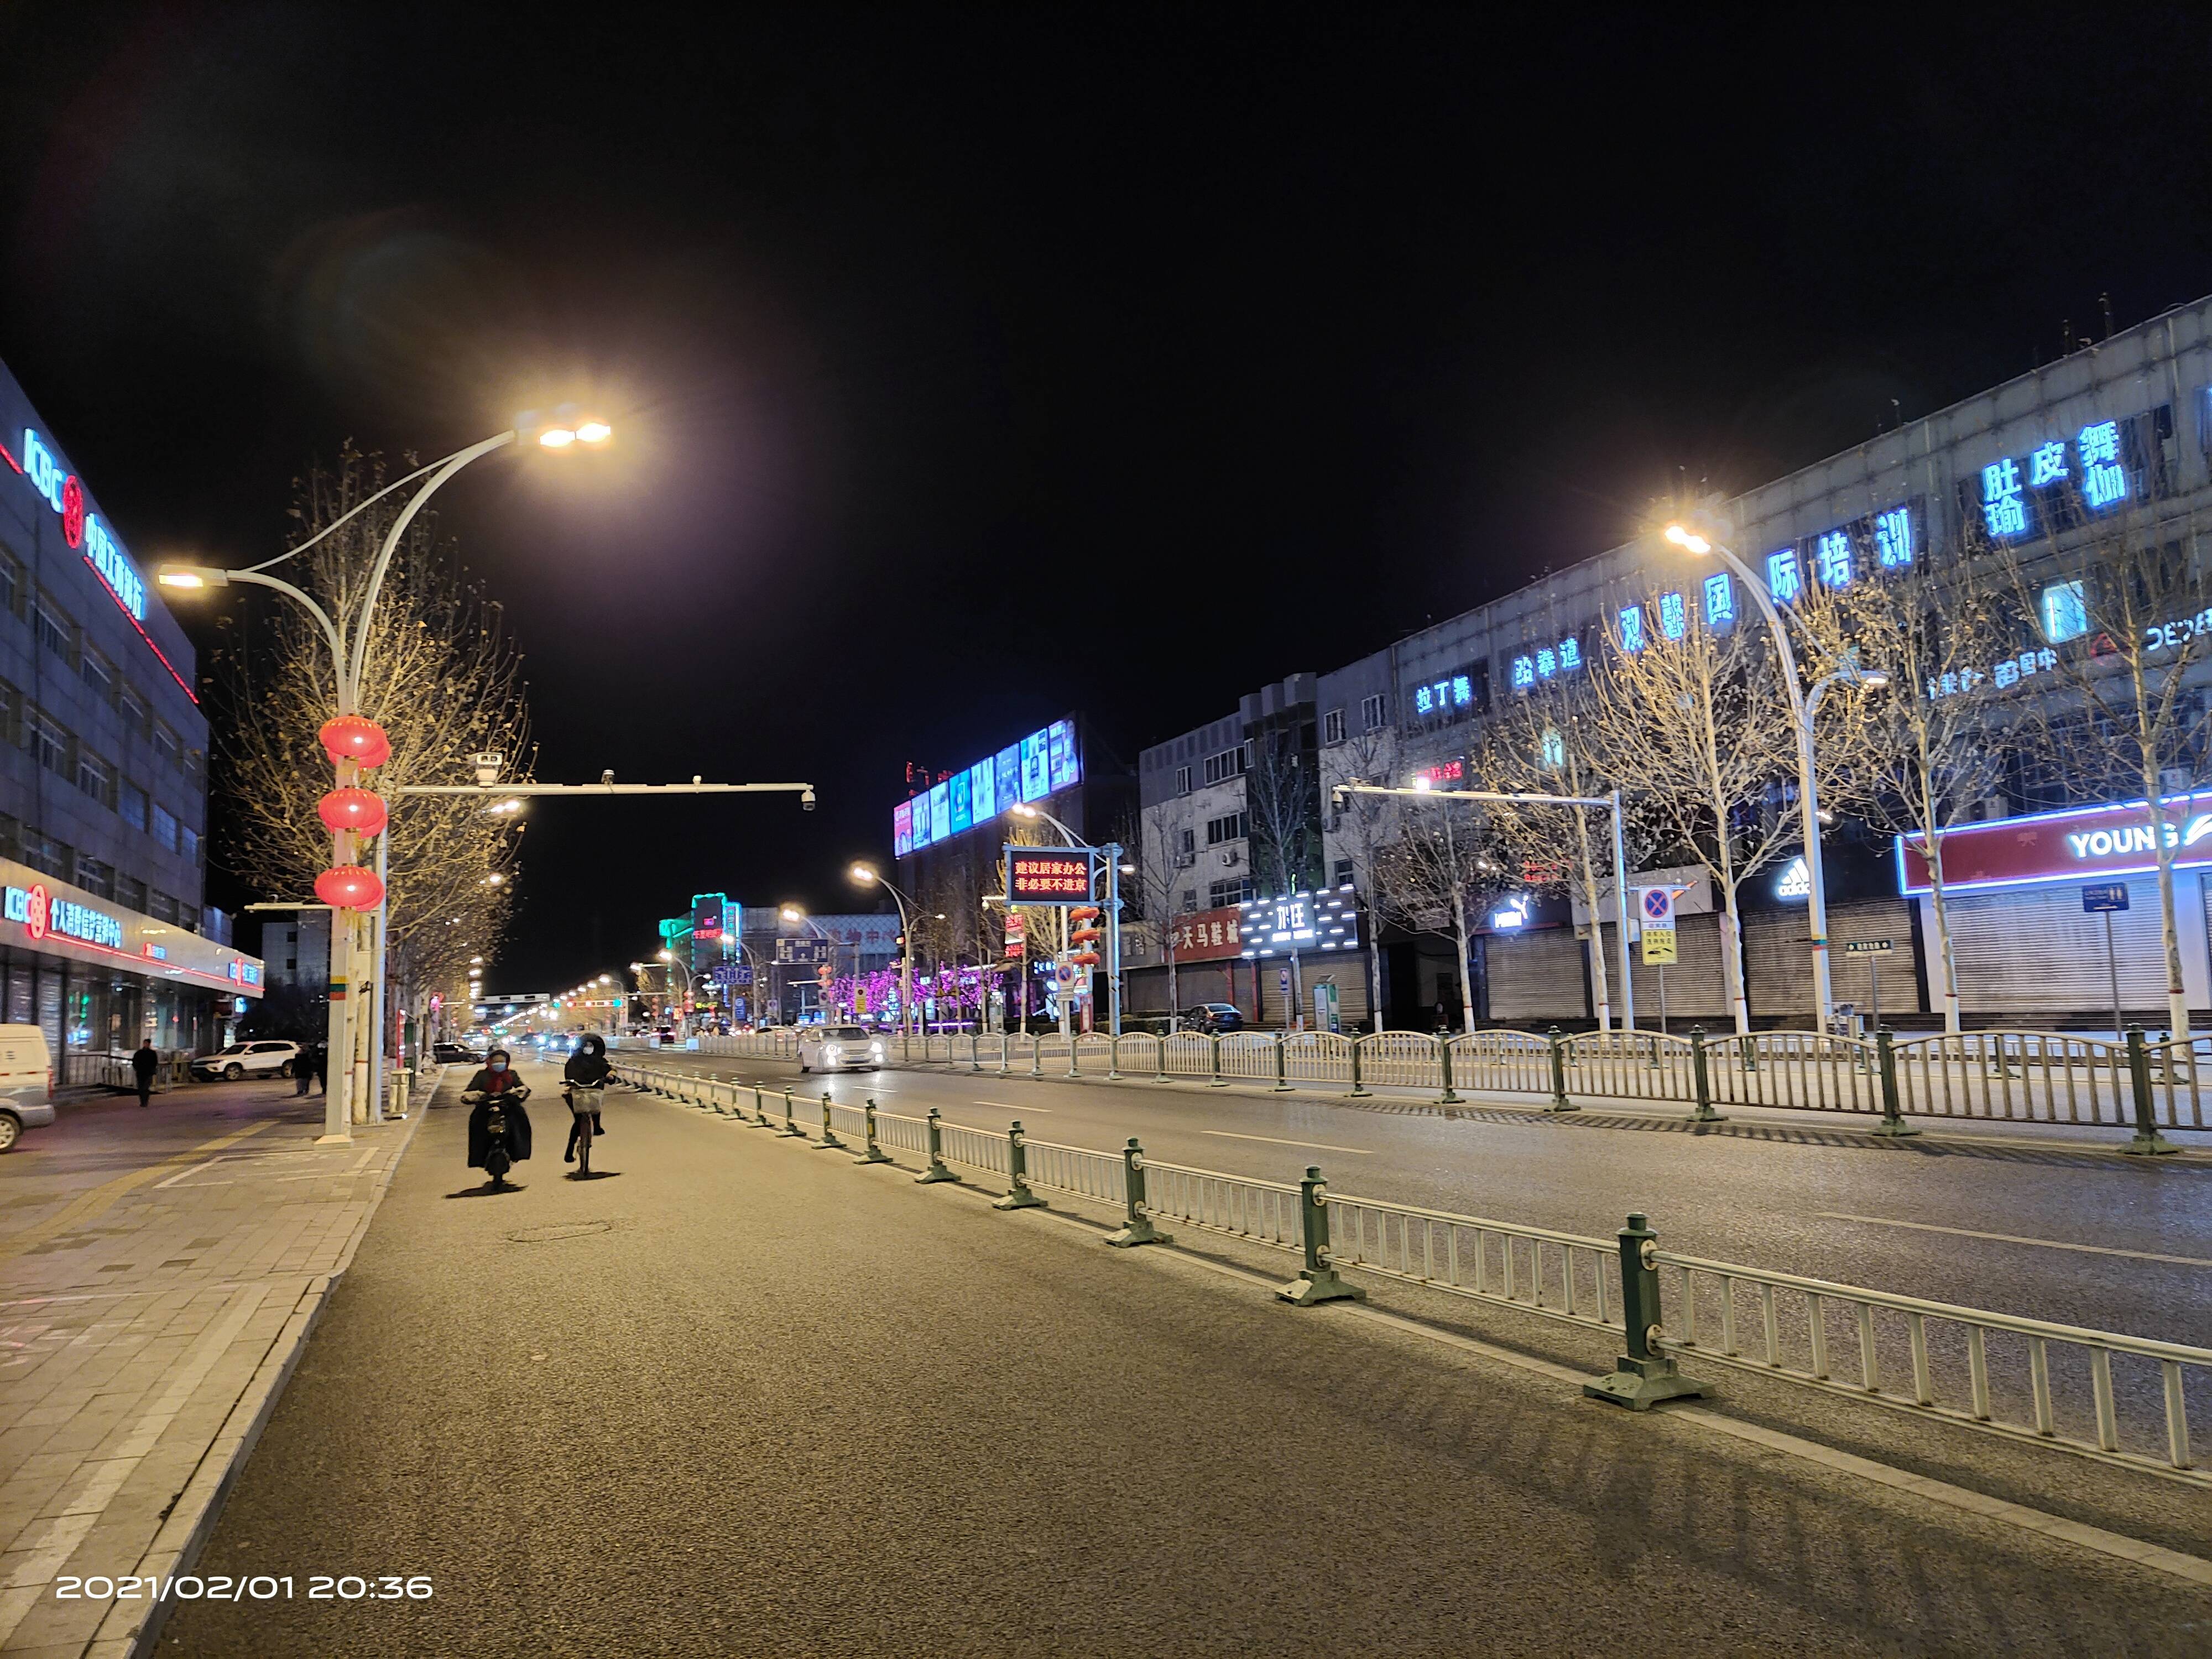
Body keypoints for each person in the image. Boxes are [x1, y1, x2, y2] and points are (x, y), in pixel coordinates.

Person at [463, 1049, 533, 1176]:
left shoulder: (511, 1074)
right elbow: (470, 1091)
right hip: (486, 1107)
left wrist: (515, 1093)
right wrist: (479, 1096)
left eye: (502, 1062)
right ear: (489, 1062)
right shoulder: (482, 1075)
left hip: (508, 1107)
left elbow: (521, 1087)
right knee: (477, 1126)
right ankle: (479, 1157)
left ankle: (518, 1151)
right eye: (496, 1062)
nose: (498, 1064)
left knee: (520, 1122)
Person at [562, 1033, 613, 1163]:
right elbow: (568, 1076)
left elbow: (610, 1070)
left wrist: (611, 1076)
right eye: (586, 1045)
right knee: (578, 1120)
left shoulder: (600, 1061)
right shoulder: (574, 1061)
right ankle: (570, 1150)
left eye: (591, 1046)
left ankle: (597, 1126)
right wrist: (570, 1083)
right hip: (577, 1093)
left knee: (596, 1104)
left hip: (594, 1092)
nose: (588, 1048)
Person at [131, 1040, 159, 1109]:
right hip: (141, 1072)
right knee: (140, 1088)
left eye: (146, 1043)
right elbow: (134, 1061)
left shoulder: (152, 1053)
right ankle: (143, 1102)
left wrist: (152, 1070)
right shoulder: (139, 1053)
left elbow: (155, 1063)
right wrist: (137, 1068)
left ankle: (145, 1102)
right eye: (145, 1043)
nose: (145, 1044)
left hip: (148, 1073)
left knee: (145, 1087)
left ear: (149, 1044)